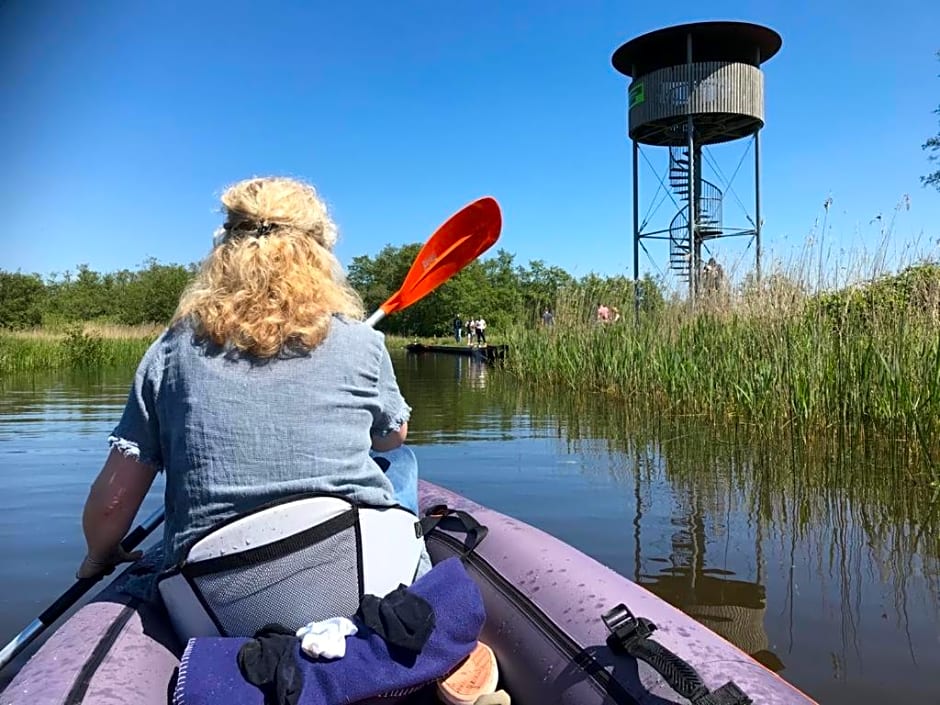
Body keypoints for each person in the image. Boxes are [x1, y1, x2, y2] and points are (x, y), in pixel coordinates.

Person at [76, 176, 426, 600]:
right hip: (357, 588)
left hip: (211, 606)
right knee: (401, 461)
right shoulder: (362, 342)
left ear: (223, 251)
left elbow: (113, 502)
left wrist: (100, 555)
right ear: (319, 255)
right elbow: (391, 438)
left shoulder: (172, 350)